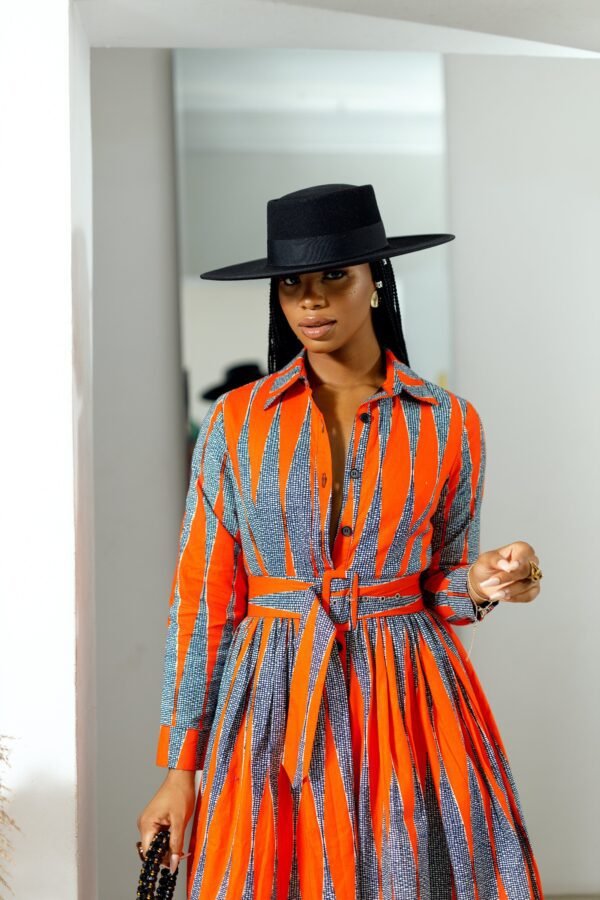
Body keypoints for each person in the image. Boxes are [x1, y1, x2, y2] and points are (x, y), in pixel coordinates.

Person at [137, 183, 544, 898]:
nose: (312, 300)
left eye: (334, 276)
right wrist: (180, 771)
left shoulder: (449, 423)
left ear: (376, 281)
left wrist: (484, 582)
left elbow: (443, 587)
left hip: (408, 696)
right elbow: (202, 600)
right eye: (292, 283)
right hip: (269, 699)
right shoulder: (236, 423)